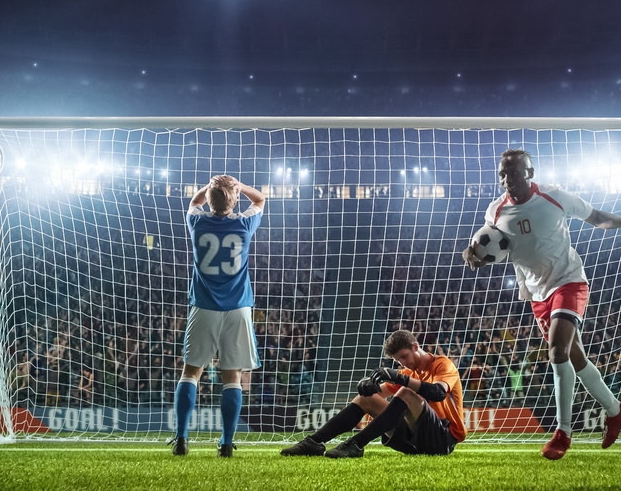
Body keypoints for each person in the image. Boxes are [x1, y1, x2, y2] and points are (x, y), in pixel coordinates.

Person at [461, 148, 621, 460]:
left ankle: (562, 433)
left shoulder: (553, 196)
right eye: (503, 175)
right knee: (574, 358)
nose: (507, 180)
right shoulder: (494, 211)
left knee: (557, 351)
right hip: (536, 292)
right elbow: (481, 247)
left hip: (569, 280)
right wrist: (472, 255)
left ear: (529, 173)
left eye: (514, 172)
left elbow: (595, 217)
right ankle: (616, 410)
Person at [171, 175, 265, 458]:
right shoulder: (244, 224)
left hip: (203, 306)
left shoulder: (197, 223)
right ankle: (226, 442)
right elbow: (259, 198)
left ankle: (181, 438)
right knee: (232, 376)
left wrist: (211, 188)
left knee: (191, 373)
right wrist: (239, 186)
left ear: (211, 199)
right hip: (237, 308)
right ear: (234, 198)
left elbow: (194, 201)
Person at [280, 329, 466, 458]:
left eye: (403, 356)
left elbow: (438, 393)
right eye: (398, 360)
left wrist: (399, 378)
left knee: (406, 391)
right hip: (415, 442)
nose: (402, 363)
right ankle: (314, 442)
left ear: (415, 347)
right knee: (365, 399)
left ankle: (356, 444)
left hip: (443, 440)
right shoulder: (409, 373)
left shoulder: (442, 364)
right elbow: (380, 391)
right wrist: (368, 385)